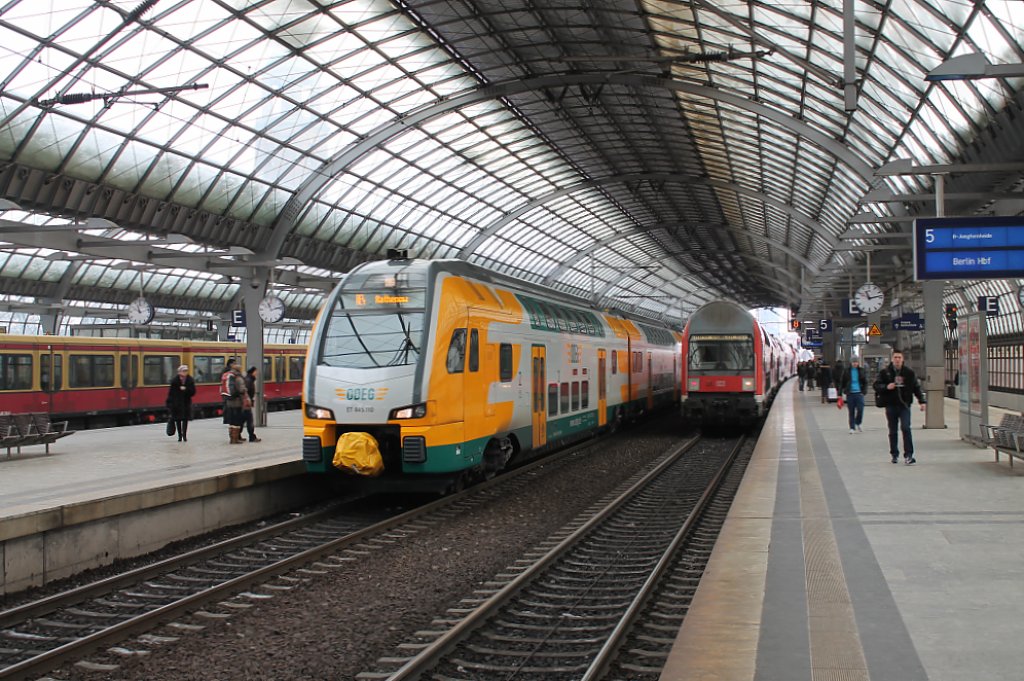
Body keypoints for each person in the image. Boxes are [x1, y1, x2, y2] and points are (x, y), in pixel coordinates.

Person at [874, 349, 926, 465]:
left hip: (904, 405)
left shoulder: (909, 373)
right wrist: (886, 387)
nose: (897, 360)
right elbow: (876, 385)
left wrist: (922, 401)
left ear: (903, 359)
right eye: (895, 357)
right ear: (892, 359)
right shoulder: (885, 373)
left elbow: (916, 387)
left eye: (899, 358)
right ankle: (894, 454)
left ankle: (909, 455)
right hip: (891, 405)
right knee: (893, 430)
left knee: (906, 428)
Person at [221, 359, 249, 444]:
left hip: (229, 400)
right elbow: (241, 389)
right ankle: (235, 439)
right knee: (237, 420)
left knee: (232, 420)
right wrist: (244, 391)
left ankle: (233, 438)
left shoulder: (227, 375)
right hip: (237, 401)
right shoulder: (237, 377)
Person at [167, 364, 197, 442]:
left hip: (186, 403)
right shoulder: (175, 381)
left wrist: (186, 389)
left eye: (186, 371)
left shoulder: (190, 380)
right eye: (183, 371)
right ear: (179, 372)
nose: (185, 372)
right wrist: (169, 404)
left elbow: (193, 392)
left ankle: (184, 436)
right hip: (176, 404)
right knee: (178, 420)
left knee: (185, 420)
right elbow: (171, 393)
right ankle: (179, 436)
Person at [839, 358, 867, 434]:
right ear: (851, 363)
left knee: (860, 409)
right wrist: (840, 394)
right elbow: (842, 382)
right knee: (851, 411)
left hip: (859, 393)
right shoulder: (846, 371)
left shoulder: (861, 370)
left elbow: (865, 382)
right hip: (850, 393)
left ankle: (858, 422)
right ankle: (852, 427)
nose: (855, 364)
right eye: (853, 362)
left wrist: (864, 391)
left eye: (856, 362)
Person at [243, 366, 262, 443]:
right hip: (246, 403)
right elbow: (246, 392)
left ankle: (237, 436)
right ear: (252, 372)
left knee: (242, 420)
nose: (256, 373)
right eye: (255, 371)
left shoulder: (248, 379)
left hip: (246, 402)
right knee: (249, 420)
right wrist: (249, 400)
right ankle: (252, 437)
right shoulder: (249, 380)